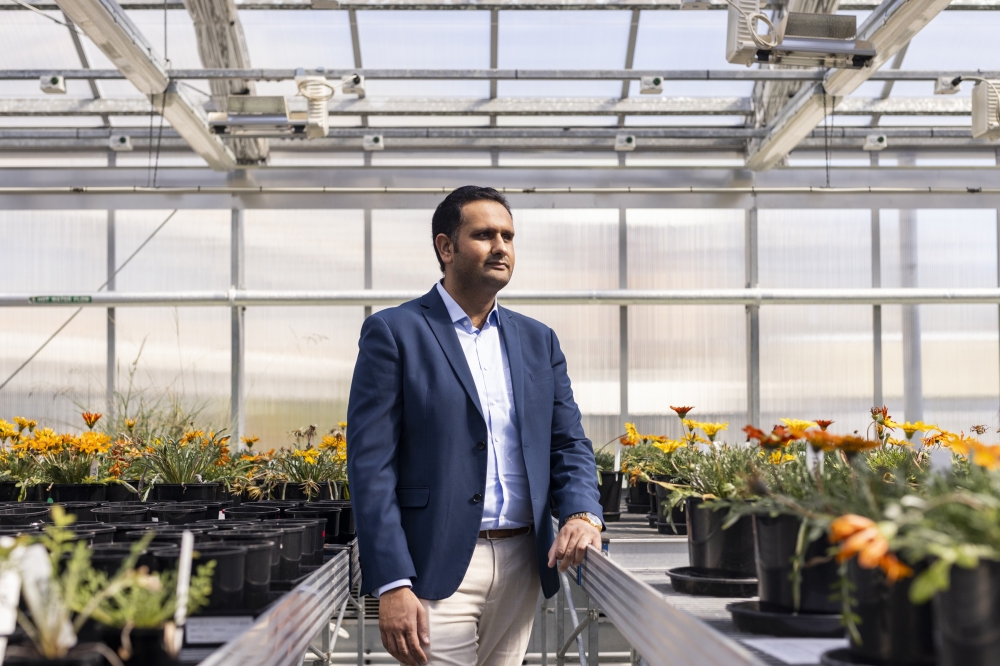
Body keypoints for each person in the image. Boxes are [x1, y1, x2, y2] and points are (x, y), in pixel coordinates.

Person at [347, 185, 604, 666]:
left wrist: (582, 513)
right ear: (446, 248)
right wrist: (392, 581)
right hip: (434, 567)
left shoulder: (537, 340)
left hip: (523, 562)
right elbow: (370, 467)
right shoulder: (395, 332)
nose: (501, 246)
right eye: (484, 235)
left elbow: (568, 443)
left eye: (508, 235)